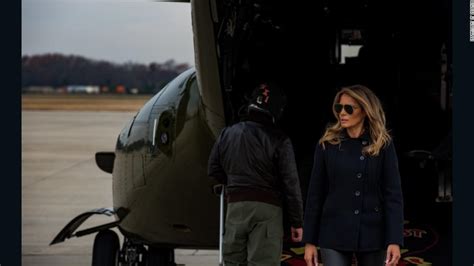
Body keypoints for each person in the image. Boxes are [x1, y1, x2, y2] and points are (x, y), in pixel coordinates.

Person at [303, 85, 404, 266]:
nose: (342, 113)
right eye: (338, 107)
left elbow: (393, 195)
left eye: (349, 108)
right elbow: (315, 195)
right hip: (333, 232)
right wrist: (309, 241)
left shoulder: (383, 145)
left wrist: (394, 239)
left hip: (373, 233)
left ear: (365, 111)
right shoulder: (327, 144)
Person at [208, 81, 304, 266]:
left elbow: (213, 169)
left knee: (233, 261)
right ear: (277, 109)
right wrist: (296, 222)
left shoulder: (227, 133)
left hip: (236, 208)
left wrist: (235, 185)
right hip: (268, 210)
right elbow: (291, 185)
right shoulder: (280, 139)